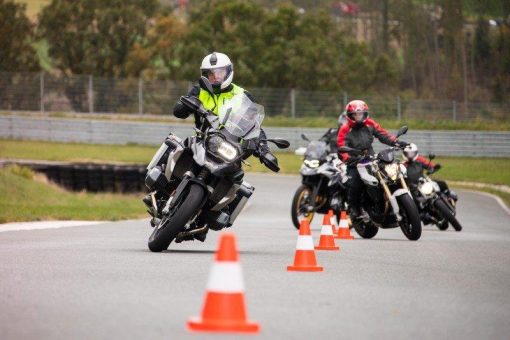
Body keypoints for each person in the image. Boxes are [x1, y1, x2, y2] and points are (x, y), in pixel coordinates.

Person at [173, 52, 275, 162]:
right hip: (200, 146)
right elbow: (179, 112)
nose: (216, 77)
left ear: (228, 72)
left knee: (235, 176)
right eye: (211, 74)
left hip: (228, 150)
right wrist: (183, 105)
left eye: (220, 72)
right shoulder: (199, 90)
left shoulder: (242, 95)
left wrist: (264, 149)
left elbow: (254, 126)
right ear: (205, 76)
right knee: (174, 153)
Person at [336, 99, 408, 222]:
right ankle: (355, 209)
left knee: (388, 174)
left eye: (361, 114)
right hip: (355, 161)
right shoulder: (345, 128)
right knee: (355, 184)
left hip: (370, 157)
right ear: (350, 115)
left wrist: (395, 142)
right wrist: (348, 158)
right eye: (355, 114)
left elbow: (383, 134)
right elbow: (341, 146)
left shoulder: (370, 123)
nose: (359, 117)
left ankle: (391, 201)